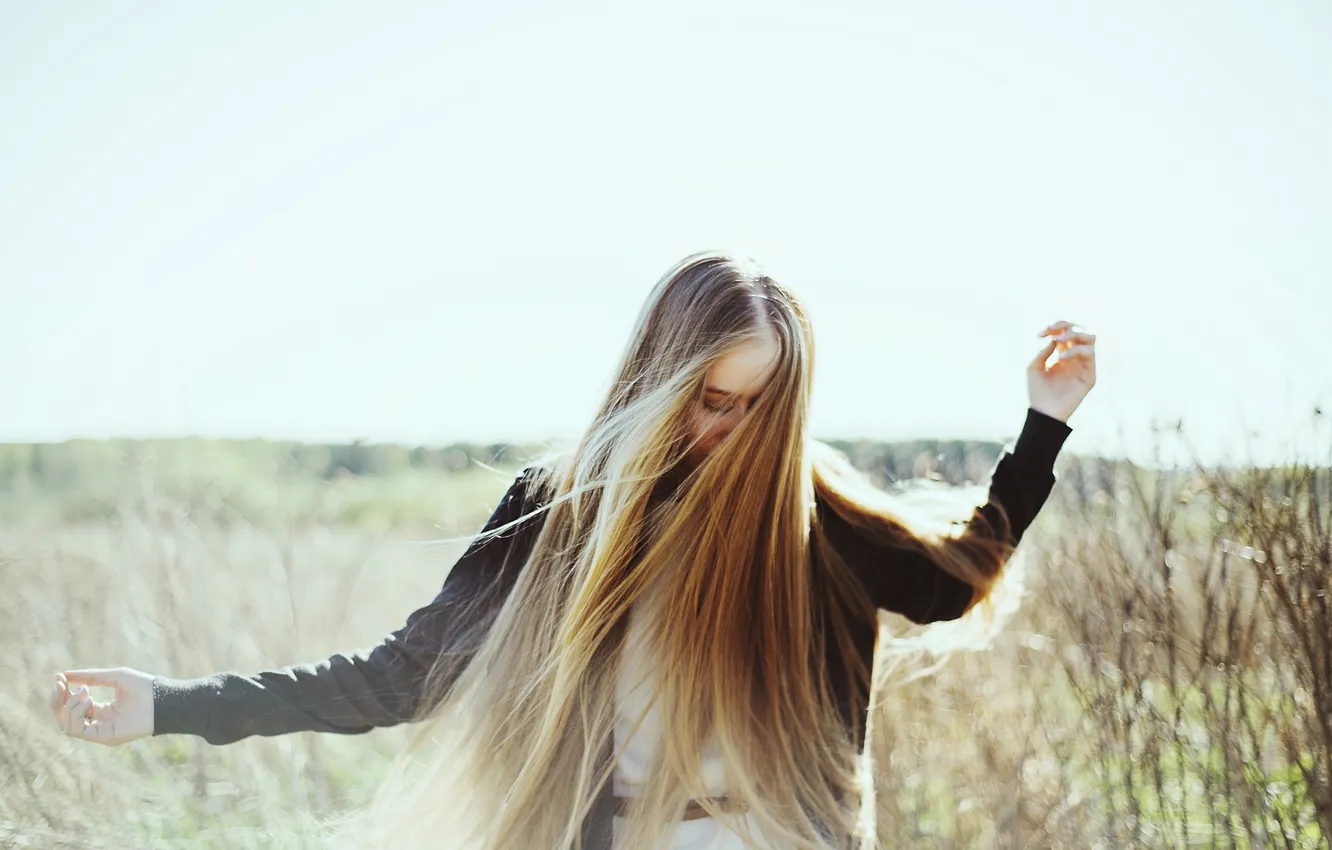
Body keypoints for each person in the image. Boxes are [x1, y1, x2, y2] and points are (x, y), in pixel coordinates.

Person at [50, 251, 1096, 850]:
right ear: (660, 378)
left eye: (761, 410)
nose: (731, 433)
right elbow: (400, 678)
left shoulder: (812, 526)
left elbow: (954, 580)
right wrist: (167, 705)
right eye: (712, 401)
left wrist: (1044, 423)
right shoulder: (562, 513)